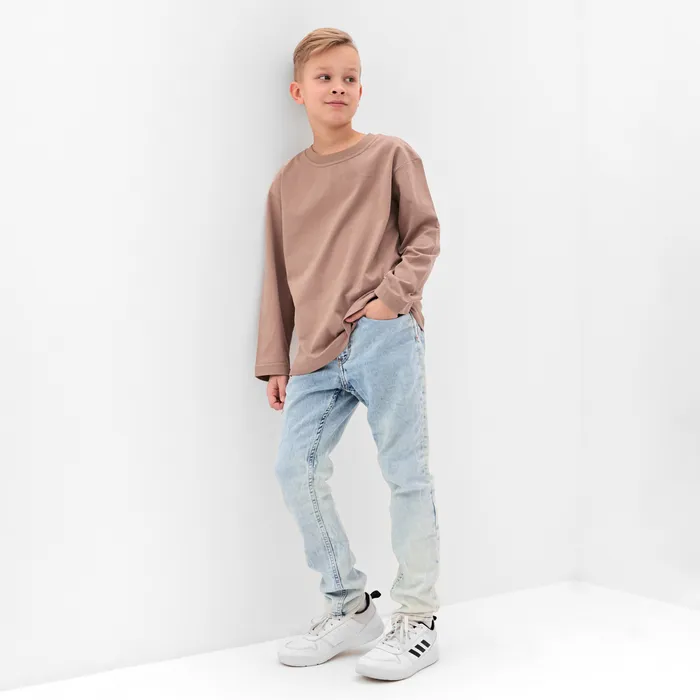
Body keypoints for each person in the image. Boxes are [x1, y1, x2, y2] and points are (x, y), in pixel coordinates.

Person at [254, 27, 441, 682]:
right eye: (326, 77)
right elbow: (277, 277)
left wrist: (391, 300)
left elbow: (424, 236)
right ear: (298, 92)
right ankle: (350, 605)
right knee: (295, 469)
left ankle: (417, 618)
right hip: (312, 351)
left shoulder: (390, 155)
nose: (339, 87)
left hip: (383, 337)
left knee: (406, 474)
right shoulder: (287, 183)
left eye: (351, 77)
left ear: (361, 89)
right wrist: (276, 360)